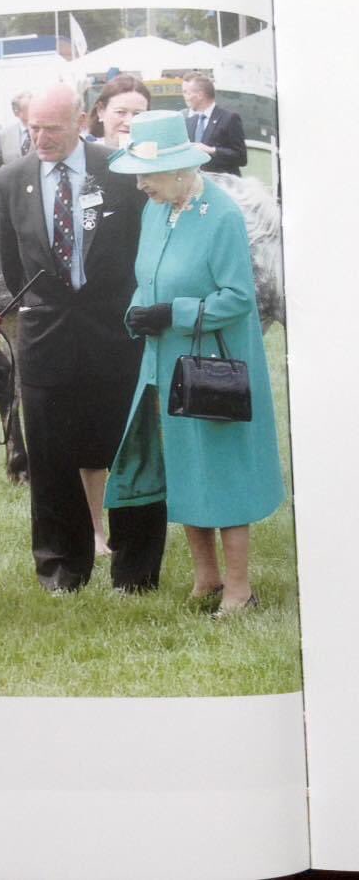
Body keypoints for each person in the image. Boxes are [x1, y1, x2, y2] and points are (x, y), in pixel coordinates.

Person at [105, 109, 283, 615]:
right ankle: (205, 577)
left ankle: (239, 587)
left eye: (148, 174)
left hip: (212, 368)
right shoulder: (156, 211)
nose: (140, 185)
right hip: (164, 363)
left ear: (182, 169)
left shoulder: (222, 214)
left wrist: (176, 312)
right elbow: (148, 279)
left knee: (221, 471)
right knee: (184, 470)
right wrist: (137, 314)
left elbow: (238, 298)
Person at [0, 83, 167, 594]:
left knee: (130, 452)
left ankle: (135, 570)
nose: (41, 138)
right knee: (49, 458)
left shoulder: (117, 169)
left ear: (80, 121)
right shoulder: (11, 179)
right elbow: (12, 264)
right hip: (46, 338)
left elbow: (141, 250)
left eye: (51, 128)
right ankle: (62, 567)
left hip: (116, 334)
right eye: (33, 129)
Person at [75, 74, 152, 553]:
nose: (129, 120)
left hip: (143, 316)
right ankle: (96, 529)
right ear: (101, 112)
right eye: (121, 110)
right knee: (93, 432)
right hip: (91, 322)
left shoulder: (156, 169)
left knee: (139, 429)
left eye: (139, 112)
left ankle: (141, 527)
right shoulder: (85, 171)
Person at [181, 73, 247, 176]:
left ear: (200, 95)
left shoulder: (229, 118)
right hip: (195, 186)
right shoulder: (186, 119)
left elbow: (241, 158)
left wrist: (212, 150)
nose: (185, 97)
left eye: (186, 93)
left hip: (222, 185)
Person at [86, 74, 151, 148]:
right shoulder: (84, 156)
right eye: (120, 112)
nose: (129, 123)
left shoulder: (157, 156)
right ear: (101, 111)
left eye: (137, 114)